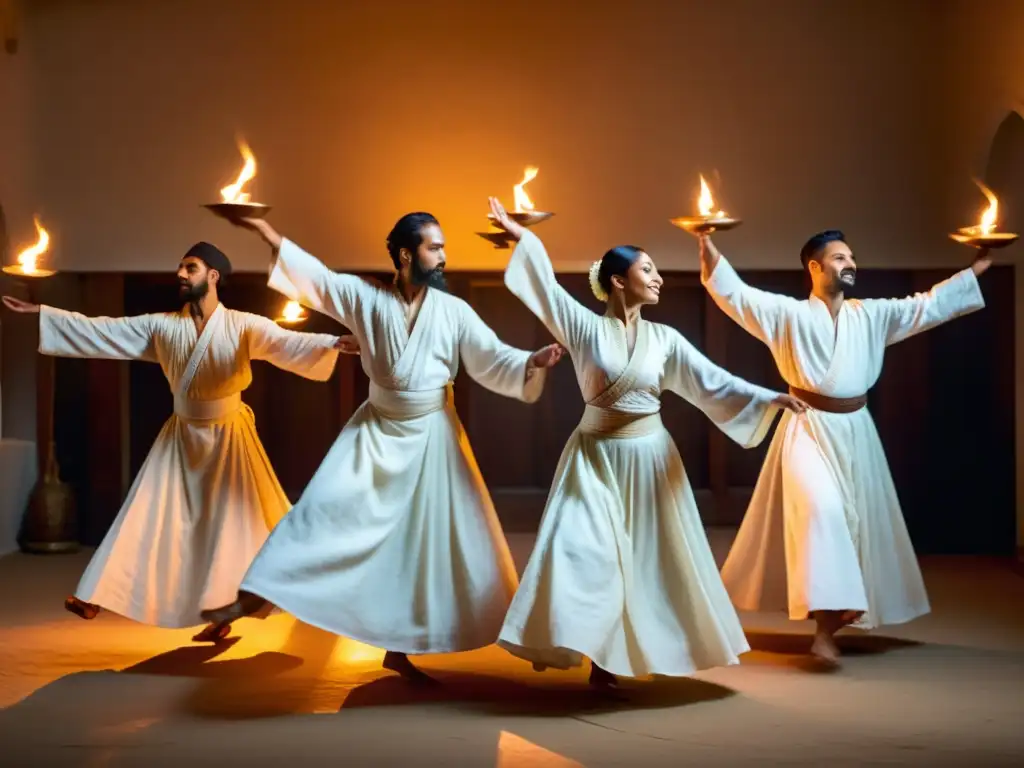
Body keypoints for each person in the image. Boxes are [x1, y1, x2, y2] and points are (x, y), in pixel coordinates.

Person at [201, 213, 565, 682]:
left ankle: (412, 646)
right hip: (376, 430)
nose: (444, 256)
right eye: (436, 247)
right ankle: (256, 593)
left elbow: (491, 356)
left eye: (444, 246)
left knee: (433, 545)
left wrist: (530, 361)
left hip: (433, 436)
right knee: (320, 513)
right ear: (407, 254)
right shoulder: (364, 297)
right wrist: (263, 230)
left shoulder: (451, 311)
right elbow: (318, 279)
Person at [484, 198, 807, 690]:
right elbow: (545, 289)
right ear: (617, 280)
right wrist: (523, 236)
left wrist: (769, 397)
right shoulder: (583, 326)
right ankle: (591, 647)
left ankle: (621, 657)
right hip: (594, 456)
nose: (658, 278)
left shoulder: (666, 339)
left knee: (647, 559)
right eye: (647, 270)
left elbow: (711, 382)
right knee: (587, 552)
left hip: (652, 458)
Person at [1, 241, 348, 642]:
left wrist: (333, 344)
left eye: (191, 267)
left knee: (236, 526)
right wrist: (45, 314)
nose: (181, 274)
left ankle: (228, 607)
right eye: (180, 268)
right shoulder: (161, 325)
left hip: (229, 435)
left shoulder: (242, 325)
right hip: (181, 434)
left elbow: (284, 342)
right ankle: (95, 593)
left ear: (213, 276)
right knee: (145, 512)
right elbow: (105, 330)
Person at [694, 229, 990, 665]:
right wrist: (706, 245)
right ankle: (827, 621)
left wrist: (979, 265)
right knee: (822, 511)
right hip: (806, 425)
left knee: (850, 523)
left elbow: (928, 305)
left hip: (855, 429)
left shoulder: (871, 315)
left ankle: (825, 630)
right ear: (814, 267)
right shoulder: (786, 314)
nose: (849, 263)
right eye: (838, 257)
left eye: (851, 256)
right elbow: (735, 294)